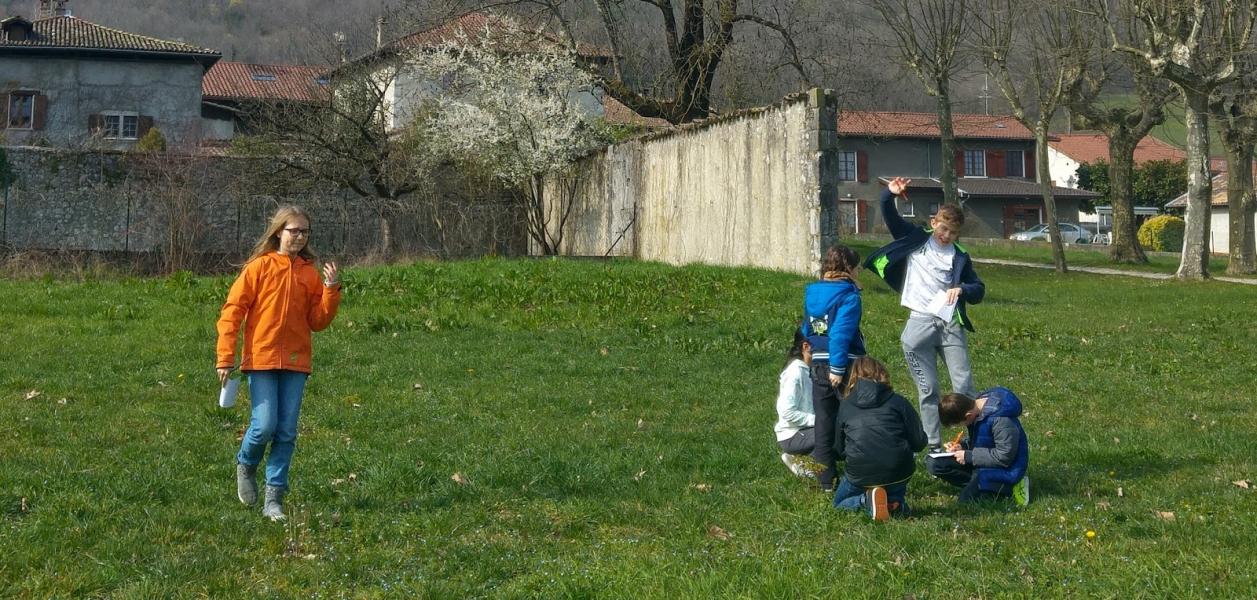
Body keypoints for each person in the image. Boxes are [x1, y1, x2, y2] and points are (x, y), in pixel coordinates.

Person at [216, 206, 342, 521]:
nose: (299, 236)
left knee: (286, 431)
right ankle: (246, 463)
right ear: (278, 232)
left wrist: (330, 291)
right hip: (261, 359)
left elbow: (318, 322)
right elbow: (232, 312)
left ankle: (274, 499)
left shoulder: (310, 273)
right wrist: (225, 357)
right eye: (293, 230)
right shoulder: (258, 268)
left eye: (305, 232)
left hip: (297, 362)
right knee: (264, 426)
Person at [863, 176, 985, 451]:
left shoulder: (960, 256)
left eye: (953, 233)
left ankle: (973, 439)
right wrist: (889, 195)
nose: (946, 236)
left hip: (950, 324)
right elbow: (890, 216)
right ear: (933, 224)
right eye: (943, 229)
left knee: (964, 384)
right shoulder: (915, 239)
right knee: (928, 389)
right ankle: (933, 445)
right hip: (919, 324)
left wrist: (963, 289)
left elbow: (979, 289)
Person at [801, 245, 866, 492]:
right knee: (853, 421)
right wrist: (838, 368)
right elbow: (840, 333)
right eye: (856, 266)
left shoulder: (813, 292)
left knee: (824, 422)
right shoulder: (848, 295)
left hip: (818, 361)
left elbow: (807, 328)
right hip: (844, 364)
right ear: (848, 268)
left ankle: (825, 479)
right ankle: (856, 475)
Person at [831, 357, 927, 521]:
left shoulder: (845, 406)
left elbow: (839, 450)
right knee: (895, 483)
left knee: (839, 504)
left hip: (860, 473)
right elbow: (918, 443)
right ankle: (894, 503)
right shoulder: (898, 402)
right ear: (883, 374)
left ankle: (866, 500)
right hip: (898, 470)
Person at [925, 387, 1030, 505]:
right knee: (934, 463)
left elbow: (1004, 457)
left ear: (968, 415)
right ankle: (979, 486)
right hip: (981, 463)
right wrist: (962, 446)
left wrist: (968, 456)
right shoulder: (977, 410)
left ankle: (1010, 487)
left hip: (1005, 470)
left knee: (965, 501)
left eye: (960, 424)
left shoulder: (1002, 421)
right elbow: (981, 440)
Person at [775, 330, 815, 478]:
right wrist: (818, 420)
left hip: (807, 430)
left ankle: (806, 461)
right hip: (792, 435)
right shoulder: (795, 373)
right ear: (806, 346)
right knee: (829, 433)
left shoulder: (811, 369)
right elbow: (787, 412)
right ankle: (805, 464)